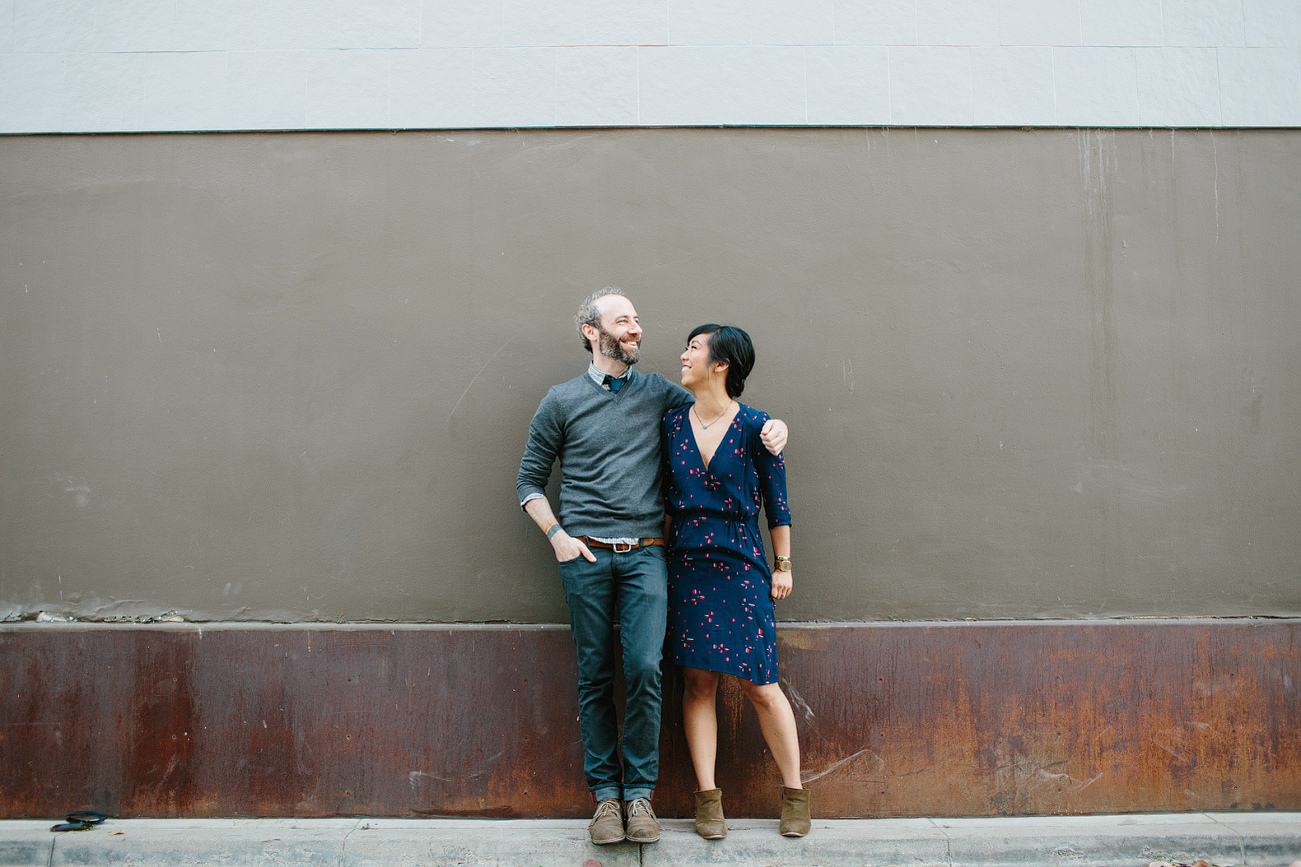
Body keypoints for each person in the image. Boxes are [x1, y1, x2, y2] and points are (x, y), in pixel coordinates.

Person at [516, 289, 788, 846]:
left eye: (638, 320)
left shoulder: (660, 393)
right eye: (623, 321)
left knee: (643, 668)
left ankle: (639, 794)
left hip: (647, 555)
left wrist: (774, 427)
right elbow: (528, 481)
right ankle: (606, 800)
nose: (636, 329)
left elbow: (720, 406)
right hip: (585, 555)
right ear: (593, 332)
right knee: (596, 676)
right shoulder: (560, 400)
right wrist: (557, 537)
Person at [661, 324, 809, 839]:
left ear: (720, 363)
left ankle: (794, 794)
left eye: (694, 349)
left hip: (742, 566)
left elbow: (778, 502)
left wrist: (783, 565)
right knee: (697, 683)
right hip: (684, 566)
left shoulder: (757, 427)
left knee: (760, 683)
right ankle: (707, 799)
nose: (683, 355)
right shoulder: (672, 424)